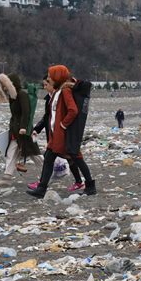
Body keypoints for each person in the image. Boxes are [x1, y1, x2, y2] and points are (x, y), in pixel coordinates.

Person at [27, 65, 96, 198]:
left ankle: (90, 186)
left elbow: (73, 110)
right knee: (50, 158)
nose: (48, 78)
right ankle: (42, 189)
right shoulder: (58, 91)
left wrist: (63, 125)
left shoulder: (65, 91)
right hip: (57, 134)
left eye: (50, 76)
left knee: (76, 158)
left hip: (62, 134)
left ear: (57, 77)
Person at [0, 73, 44, 187]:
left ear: (11, 84)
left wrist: (23, 127)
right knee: (11, 153)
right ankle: (7, 177)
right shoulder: (12, 97)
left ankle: (48, 172)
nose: (4, 87)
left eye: (5, 84)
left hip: (24, 131)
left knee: (35, 154)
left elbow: (26, 112)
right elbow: (15, 115)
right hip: (15, 131)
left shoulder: (22, 94)